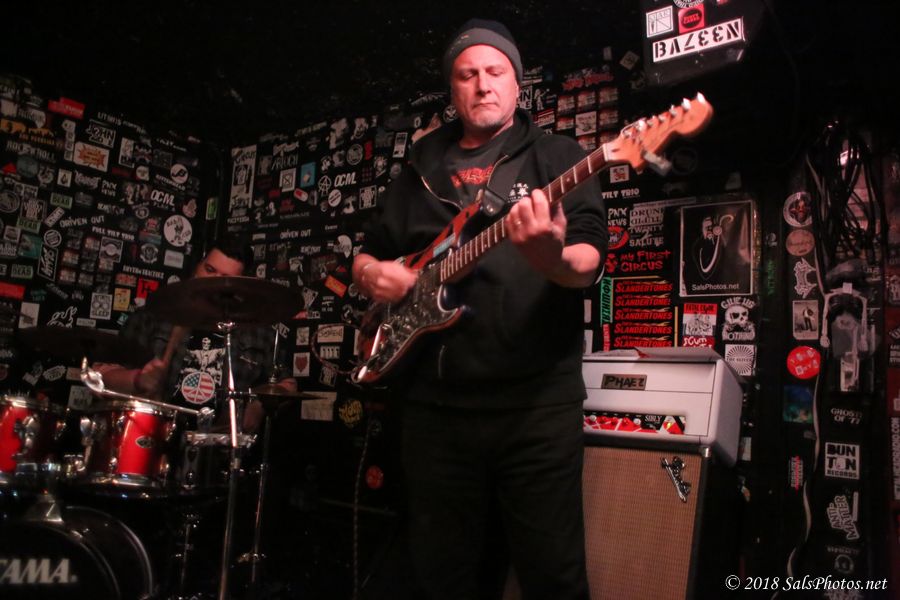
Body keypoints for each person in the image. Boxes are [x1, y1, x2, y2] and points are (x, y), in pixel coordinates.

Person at [352, 19, 607, 600]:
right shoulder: (418, 170)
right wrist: (372, 275)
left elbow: (589, 258)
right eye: (467, 74)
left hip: (535, 408)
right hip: (433, 410)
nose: (483, 84)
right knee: (441, 578)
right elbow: (368, 252)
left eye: (496, 72)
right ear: (453, 90)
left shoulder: (559, 157)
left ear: (518, 85)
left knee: (553, 575)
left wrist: (551, 258)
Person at [95, 240, 296, 430]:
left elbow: (287, 385)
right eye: (209, 269)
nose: (212, 282)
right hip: (152, 438)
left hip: (221, 445)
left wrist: (259, 406)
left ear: (240, 286)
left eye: (225, 279)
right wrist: (137, 380)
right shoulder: (154, 316)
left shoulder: (259, 333)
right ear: (197, 265)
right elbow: (101, 376)